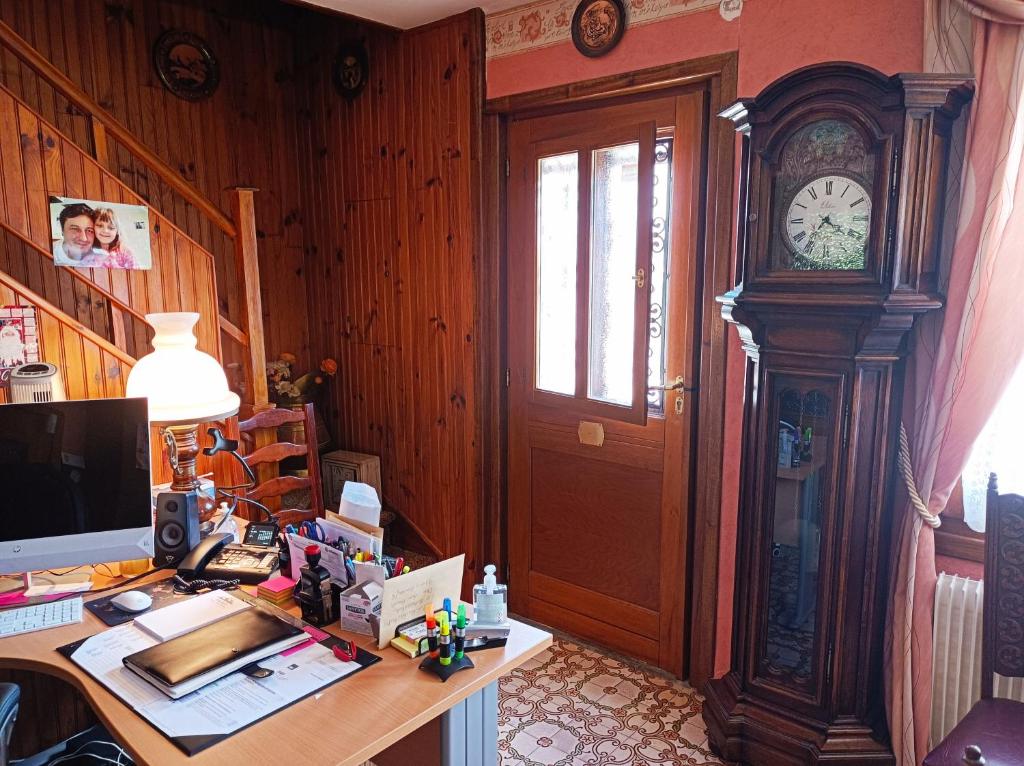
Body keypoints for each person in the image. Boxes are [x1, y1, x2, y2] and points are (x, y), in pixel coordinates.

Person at [52, 202, 106, 267]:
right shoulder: (50, 252)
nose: (84, 238)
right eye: (75, 229)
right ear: (62, 230)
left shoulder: (105, 259)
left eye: (89, 230)